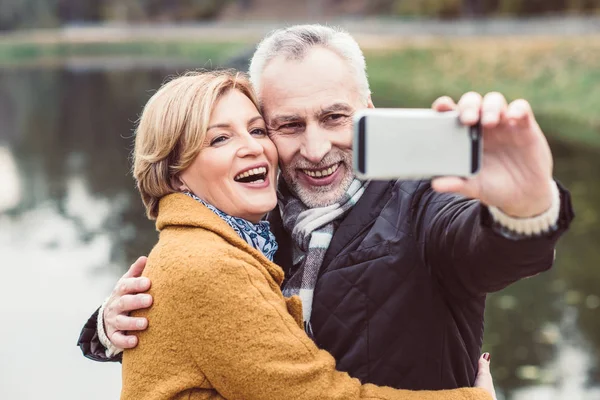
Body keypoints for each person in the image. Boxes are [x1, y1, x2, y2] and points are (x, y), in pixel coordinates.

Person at [78, 25, 574, 390]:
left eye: (335, 117)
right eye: (288, 125)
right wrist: (110, 325)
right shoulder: (246, 217)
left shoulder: (427, 201)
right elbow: (194, 311)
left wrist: (527, 206)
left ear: (370, 111)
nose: (315, 150)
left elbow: (489, 249)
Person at [119, 69, 494, 399]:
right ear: (175, 175)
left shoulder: (243, 238)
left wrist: (519, 210)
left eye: (257, 130)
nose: (252, 147)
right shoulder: (209, 264)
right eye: (220, 139)